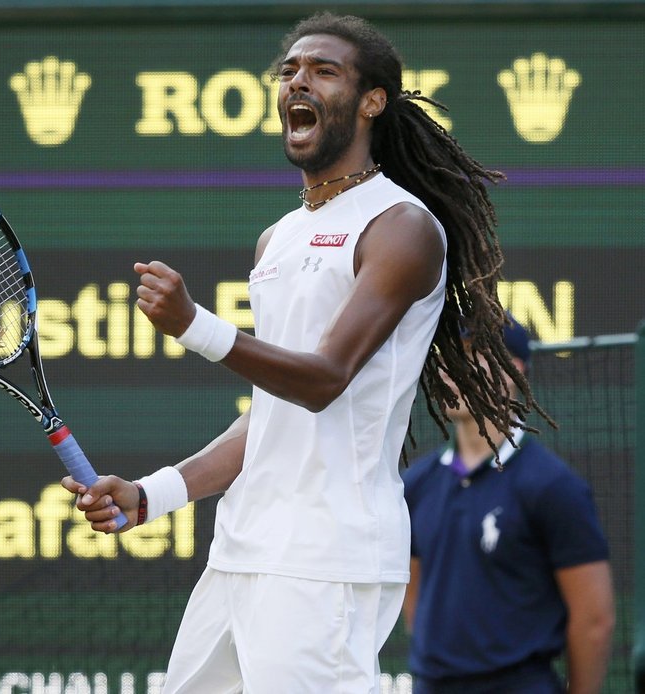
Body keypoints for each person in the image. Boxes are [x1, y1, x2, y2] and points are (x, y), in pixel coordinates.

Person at [62, 12, 548, 692]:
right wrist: (154, 494)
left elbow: (325, 381)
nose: (298, 81)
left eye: (323, 71)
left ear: (371, 101)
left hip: (327, 560)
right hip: (242, 551)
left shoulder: (401, 228)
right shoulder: (277, 239)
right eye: (289, 70)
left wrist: (195, 325)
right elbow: (272, 415)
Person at [402, 317, 615, 694]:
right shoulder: (417, 485)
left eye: (470, 357)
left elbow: (594, 620)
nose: (451, 370)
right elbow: (414, 596)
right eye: (447, 358)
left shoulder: (553, 486)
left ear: (512, 369)